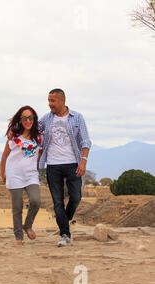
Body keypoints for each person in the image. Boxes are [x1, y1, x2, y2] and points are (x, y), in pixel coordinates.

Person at [38, 89, 92, 247]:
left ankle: (65, 220)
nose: (50, 104)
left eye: (52, 101)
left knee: (76, 197)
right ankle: (65, 234)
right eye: (48, 100)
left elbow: (86, 141)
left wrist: (83, 162)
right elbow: (33, 128)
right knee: (57, 202)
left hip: (73, 163)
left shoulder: (77, 117)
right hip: (53, 165)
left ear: (62, 100)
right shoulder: (46, 118)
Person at [1, 106, 43, 245]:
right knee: (17, 206)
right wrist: (3, 172)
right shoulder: (14, 136)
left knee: (36, 201)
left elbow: (39, 155)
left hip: (31, 175)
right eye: (24, 118)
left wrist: (37, 169)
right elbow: (5, 155)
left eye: (30, 117)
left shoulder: (39, 137)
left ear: (34, 119)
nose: (27, 120)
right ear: (20, 119)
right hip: (14, 174)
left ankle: (28, 225)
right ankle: (18, 237)